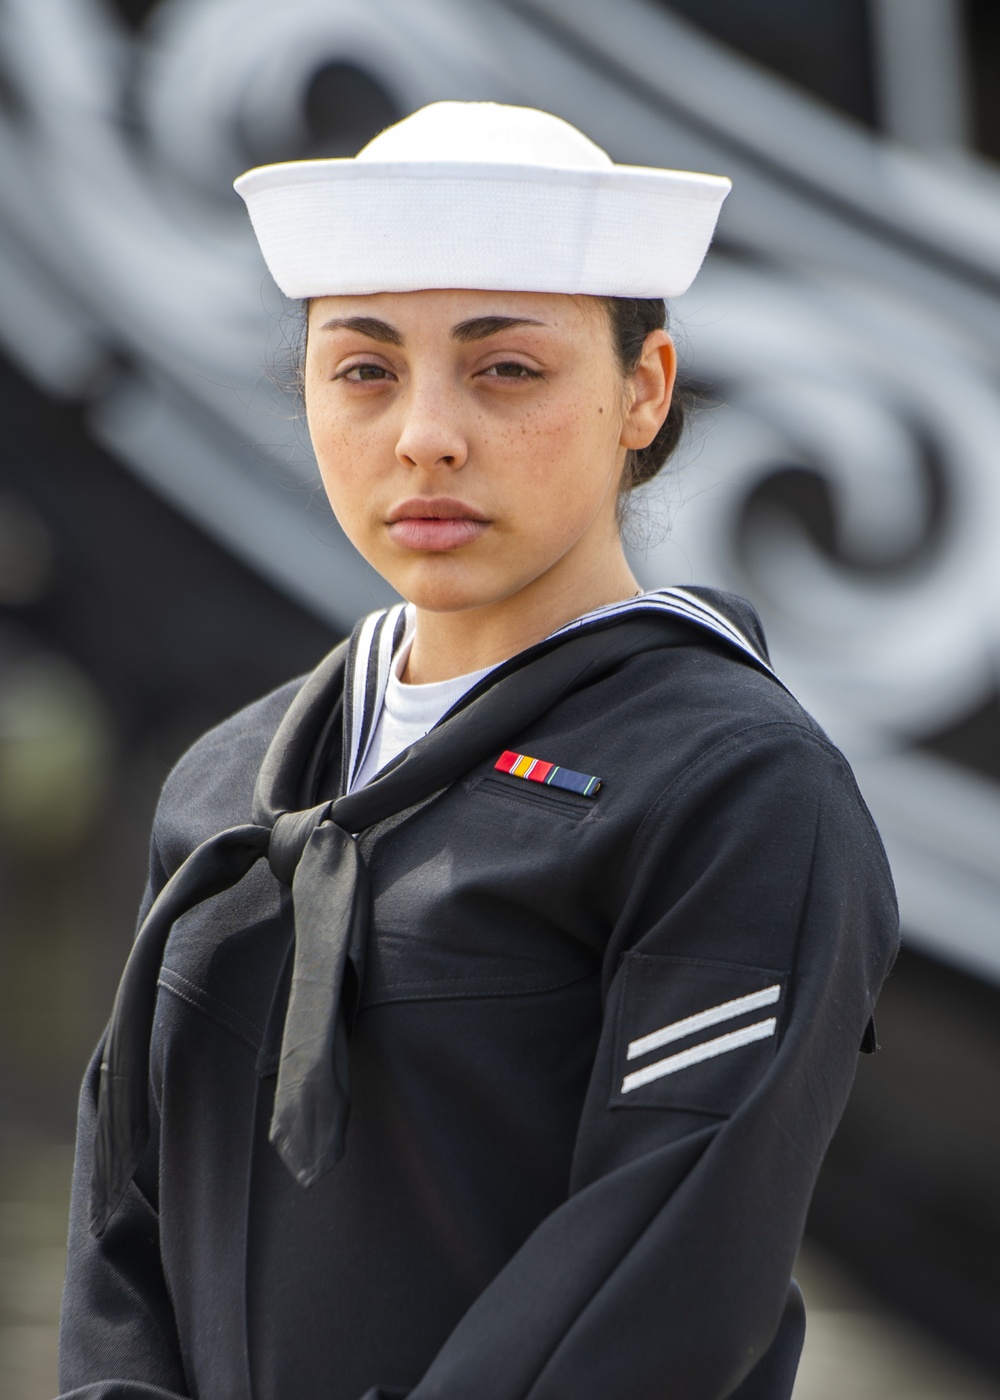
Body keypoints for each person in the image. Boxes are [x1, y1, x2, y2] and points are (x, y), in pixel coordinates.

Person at [57, 102, 898, 1400]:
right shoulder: (228, 785)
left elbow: (655, 1288)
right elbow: (121, 1242)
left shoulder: (737, 792)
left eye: (506, 368)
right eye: (366, 369)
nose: (426, 434)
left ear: (645, 391)